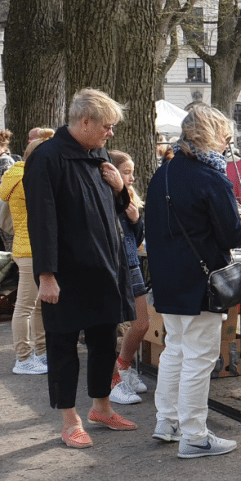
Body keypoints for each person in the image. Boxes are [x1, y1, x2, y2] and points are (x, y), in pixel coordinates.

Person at [24, 88, 137, 449]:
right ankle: (69, 418)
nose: (110, 133)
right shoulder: (47, 157)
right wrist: (46, 275)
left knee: (106, 340)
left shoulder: (97, 152)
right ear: (84, 121)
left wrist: (121, 189)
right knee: (63, 345)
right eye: (106, 126)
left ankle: (101, 407)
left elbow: (114, 208)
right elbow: (41, 221)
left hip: (105, 266)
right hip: (66, 272)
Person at [145, 104, 241, 458]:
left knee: (176, 349)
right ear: (212, 134)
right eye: (225, 135)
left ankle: (167, 421)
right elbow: (232, 234)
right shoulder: (210, 175)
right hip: (200, 279)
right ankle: (194, 434)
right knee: (199, 357)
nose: (227, 142)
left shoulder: (165, 171)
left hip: (168, 277)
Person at [0, 129, 55, 376]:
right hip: (31, 249)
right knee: (26, 306)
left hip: (27, 248)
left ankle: (41, 352)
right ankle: (23, 357)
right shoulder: (29, 179)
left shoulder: (20, 176)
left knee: (38, 305)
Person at [107, 150, 150, 406]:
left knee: (142, 322)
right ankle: (113, 381)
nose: (132, 178)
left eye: (132, 173)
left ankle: (123, 366)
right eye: (126, 172)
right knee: (107, 330)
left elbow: (137, 236)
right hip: (112, 266)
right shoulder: (102, 197)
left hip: (131, 263)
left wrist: (135, 220)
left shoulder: (129, 198)